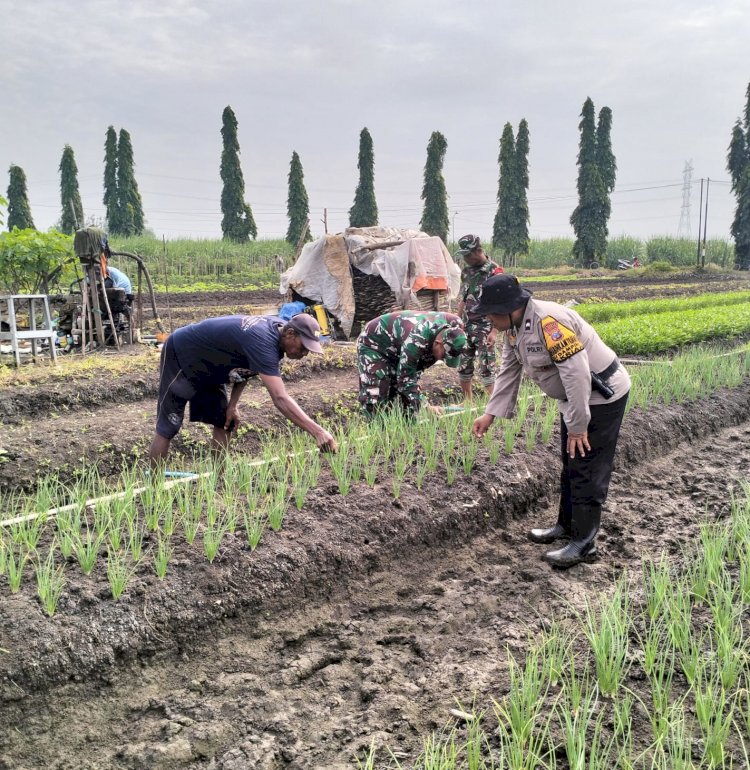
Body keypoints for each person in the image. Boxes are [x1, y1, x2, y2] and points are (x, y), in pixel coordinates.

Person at [471, 274, 631, 568]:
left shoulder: (549, 323)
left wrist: (579, 425)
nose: (489, 320)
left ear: (510, 307)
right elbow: (508, 370)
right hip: (575, 398)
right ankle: (566, 527)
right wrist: (490, 413)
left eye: (492, 313)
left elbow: (577, 375)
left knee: (586, 465)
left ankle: (584, 543)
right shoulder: (515, 328)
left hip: (600, 395)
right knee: (570, 461)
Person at [148, 313, 337, 467]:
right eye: (304, 347)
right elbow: (280, 398)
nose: (304, 354)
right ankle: (154, 493)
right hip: (182, 354)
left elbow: (247, 366)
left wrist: (233, 405)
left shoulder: (278, 333)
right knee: (169, 425)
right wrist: (318, 431)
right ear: (289, 334)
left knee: (225, 420)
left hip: (212, 364)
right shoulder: (263, 340)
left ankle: (218, 480)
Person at [357, 310, 467, 416]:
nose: (442, 360)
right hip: (374, 342)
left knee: (403, 398)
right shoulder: (416, 341)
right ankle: (377, 427)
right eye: (443, 356)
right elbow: (405, 380)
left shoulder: (456, 325)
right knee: (375, 394)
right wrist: (426, 406)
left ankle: (404, 423)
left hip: (400, 343)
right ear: (438, 343)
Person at [454, 234, 504, 399]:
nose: (466, 259)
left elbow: (502, 303)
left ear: (479, 250)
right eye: (464, 256)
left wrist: (495, 331)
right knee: (464, 365)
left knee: (487, 367)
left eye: (468, 255)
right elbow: (463, 298)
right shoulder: (466, 272)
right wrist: (457, 321)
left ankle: (494, 404)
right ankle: (468, 401)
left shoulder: (495, 272)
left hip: (485, 328)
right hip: (466, 326)